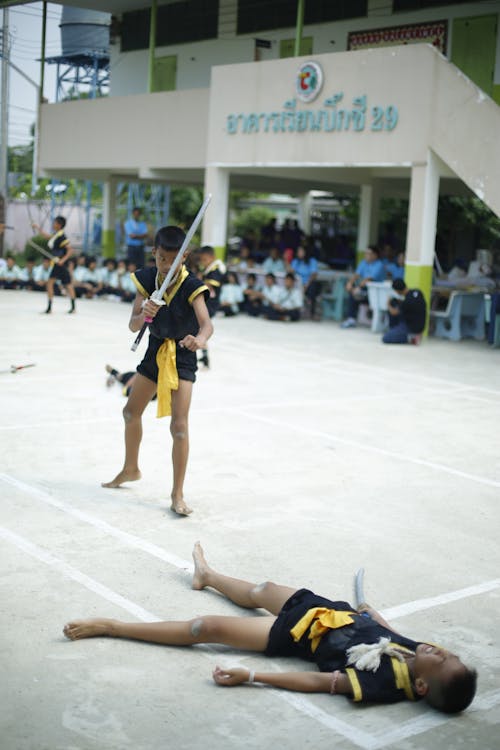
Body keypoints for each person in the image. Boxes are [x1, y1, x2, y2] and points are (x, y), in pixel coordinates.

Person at [63, 542, 477, 714]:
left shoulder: (385, 683)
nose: (441, 651)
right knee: (261, 589)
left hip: (301, 638)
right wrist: (372, 613)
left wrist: (254, 676)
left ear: (421, 688)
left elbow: (322, 683)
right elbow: (394, 636)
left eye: (442, 661)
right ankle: (206, 576)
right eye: (450, 653)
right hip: (329, 611)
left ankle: (113, 626)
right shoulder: (422, 653)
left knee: (202, 628)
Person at [102, 226, 213, 516]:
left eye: (174, 260)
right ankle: (130, 468)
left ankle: (177, 494)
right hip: (154, 352)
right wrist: (144, 314)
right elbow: (133, 325)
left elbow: (206, 324)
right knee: (130, 412)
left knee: (179, 427)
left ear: (185, 257)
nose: (167, 266)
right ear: (155, 253)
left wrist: (199, 340)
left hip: (182, 357)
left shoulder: (191, 286)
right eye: (163, 258)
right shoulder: (147, 279)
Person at [31, 216, 77, 314]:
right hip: (58, 263)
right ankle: (72, 308)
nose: (53, 224)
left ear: (59, 225)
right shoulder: (57, 235)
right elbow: (47, 236)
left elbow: (70, 250)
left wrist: (62, 260)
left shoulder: (62, 236)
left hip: (60, 264)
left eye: (55, 223)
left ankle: (50, 308)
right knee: (67, 284)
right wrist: (37, 228)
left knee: (51, 283)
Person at [341, 245, 385, 328]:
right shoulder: (363, 262)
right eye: (366, 253)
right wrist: (350, 283)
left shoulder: (379, 265)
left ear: (375, 255)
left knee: (355, 293)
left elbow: (369, 279)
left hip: (376, 294)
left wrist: (358, 288)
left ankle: (352, 318)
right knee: (352, 292)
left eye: (369, 253)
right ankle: (351, 319)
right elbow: (356, 275)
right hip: (365, 290)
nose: (366, 255)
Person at [198, 245, 225, 368]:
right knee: (200, 329)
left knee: (201, 329)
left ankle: (204, 356)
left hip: (211, 305)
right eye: (202, 260)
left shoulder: (215, 270)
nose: (203, 262)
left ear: (212, 257)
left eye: (205, 260)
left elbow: (208, 286)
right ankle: (204, 355)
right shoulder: (209, 270)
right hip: (207, 304)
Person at [383, 279, 427, 345]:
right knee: (395, 303)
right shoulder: (418, 292)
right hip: (420, 326)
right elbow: (412, 306)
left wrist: (388, 304)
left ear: (397, 291)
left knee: (386, 338)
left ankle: (411, 338)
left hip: (410, 327)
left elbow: (394, 312)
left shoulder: (406, 302)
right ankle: (412, 334)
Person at [290, 245, 321, 320]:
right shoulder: (295, 261)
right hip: (297, 284)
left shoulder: (312, 261)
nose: (299, 253)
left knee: (313, 287)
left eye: (301, 251)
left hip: (308, 283)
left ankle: (312, 313)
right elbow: (291, 272)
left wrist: (306, 285)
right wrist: (285, 260)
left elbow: (314, 275)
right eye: (298, 252)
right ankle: (292, 310)